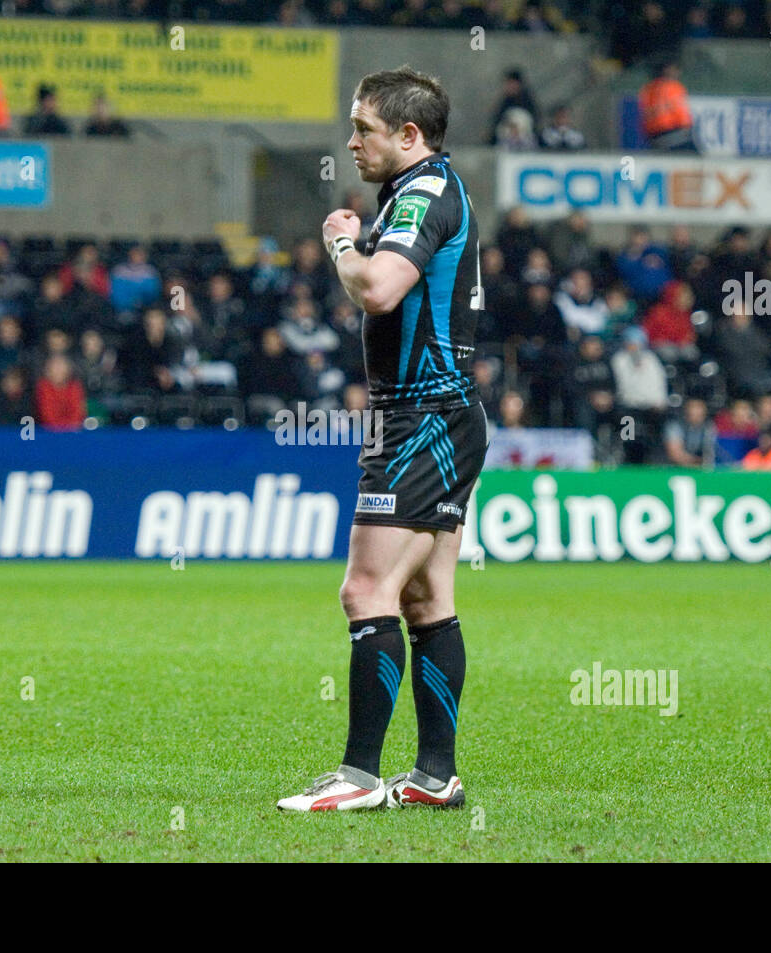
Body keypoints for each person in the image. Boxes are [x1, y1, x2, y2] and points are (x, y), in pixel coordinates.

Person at [278, 67, 486, 813]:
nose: (352, 141)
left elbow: (380, 287)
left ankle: (358, 776)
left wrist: (340, 244)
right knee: (427, 597)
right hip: (441, 416)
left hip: (423, 417)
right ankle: (436, 775)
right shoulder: (418, 192)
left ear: (409, 135)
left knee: (366, 589)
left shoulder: (425, 190)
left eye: (364, 128)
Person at [638, 59, 697, 153]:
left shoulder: (648, 88)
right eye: (674, 69)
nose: (678, 72)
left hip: (658, 134)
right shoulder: (670, 87)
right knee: (693, 160)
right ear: (665, 70)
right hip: (671, 132)